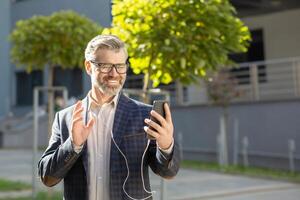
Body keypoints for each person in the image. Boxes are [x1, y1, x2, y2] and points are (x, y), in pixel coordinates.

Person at [38, 35, 180, 200]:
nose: (114, 74)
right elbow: (47, 178)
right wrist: (73, 145)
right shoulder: (65, 118)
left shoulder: (146, 115)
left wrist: (166, 145)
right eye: (105, 66)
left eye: (120, 66)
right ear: (89, 67)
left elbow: (169, 172)